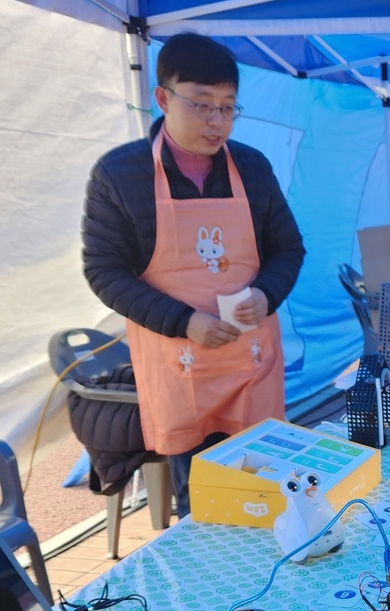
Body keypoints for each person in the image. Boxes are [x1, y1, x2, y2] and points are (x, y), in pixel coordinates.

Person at [82, 33, 306, 515]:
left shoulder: (251, 167)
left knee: (266, 492)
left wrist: (267, 294)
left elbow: (288, 248)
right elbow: (104, 271)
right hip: (180, 365)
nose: (217, 121)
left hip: (251, 363)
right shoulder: (120, 175)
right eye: (203, 105)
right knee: (203, 503)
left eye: (227, 107)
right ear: (163, 98)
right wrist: (184, 321)